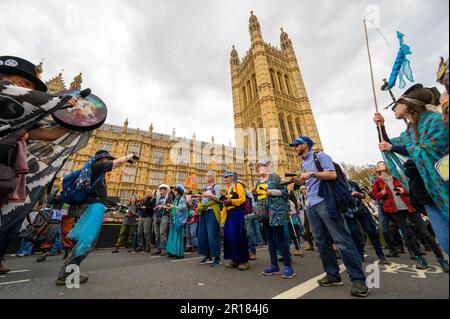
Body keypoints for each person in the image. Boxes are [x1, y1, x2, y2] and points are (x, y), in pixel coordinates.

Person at [0, 56, 79, 275]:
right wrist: (56, 100)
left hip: (7, 177)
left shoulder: (21, 126)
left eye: (27, 86)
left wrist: (78, 121)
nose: (19, 89)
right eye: (19, 84)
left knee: (12, 216)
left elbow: (51, 134)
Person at [289, 136, 369, 297]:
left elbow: (331, 175)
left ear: (305, 145)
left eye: (296, 145)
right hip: (311, 205)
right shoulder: (303, 162)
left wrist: (312, 173)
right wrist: (299, 180)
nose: (294, 148)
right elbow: (310, 183)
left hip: (325, 202)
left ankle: (358, 279)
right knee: (321, 241)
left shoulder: (321, 156)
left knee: (341, 240)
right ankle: (333, 274)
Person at [374, 84, 449, 255]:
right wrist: (381, 126)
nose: (394, 108)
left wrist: (393, 148)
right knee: (446, 242)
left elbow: (428, 149)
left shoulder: (435, 120)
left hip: (442, 188)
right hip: (426, 193)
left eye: (397, 104)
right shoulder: (409, 131)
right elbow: (390, 144)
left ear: (408, 104)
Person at [55, 150, 138, 286]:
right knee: (86, 242)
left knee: (86, 242)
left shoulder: (97, 174)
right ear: (101, 159)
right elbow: (117, 163)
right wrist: (130, 156)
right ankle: (66, 274)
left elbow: (104, 199)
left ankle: (67, 272)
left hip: (94, 207)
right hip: (91, 208)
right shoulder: (95, 167)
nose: (108, 162)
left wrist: (127, 211)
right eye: (107, 159)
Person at [372, 161, 448, 272]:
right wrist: (381, 194)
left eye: (382, 163)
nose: (379, 165)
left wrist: (403, 190)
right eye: (378, 165)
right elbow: (375, 196)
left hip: (410, 207)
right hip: (395, 211)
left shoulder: (397, 176)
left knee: (425, 233)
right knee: (407, 235)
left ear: (387, 166)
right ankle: (419, 258)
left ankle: (441, 259)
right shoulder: (377, 181)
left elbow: (409, 188)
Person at [253, 160, 295, 279]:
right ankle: (274, 266)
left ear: (267, 167)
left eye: (260, 166)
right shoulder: (258, 181)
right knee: (270, 240)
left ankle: (288, 267)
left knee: (279, 239)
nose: (258, 168)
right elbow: (260, 197)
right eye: (257, 167)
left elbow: (284, 192)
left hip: (276, 212)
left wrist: (271, 192)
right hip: (264, 213)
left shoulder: (274, 177)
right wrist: (255, 193)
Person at [345, 180, 390, 265]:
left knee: (371, 231)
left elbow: (363, 196)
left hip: (362, 211)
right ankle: (360, 255)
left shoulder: (353, 183)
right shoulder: (337, 186)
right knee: (355, 233)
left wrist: (357, 194)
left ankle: (381, 255)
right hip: (349, 213)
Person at [220, 172, 250, 271]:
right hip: (230, 214)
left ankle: (243, 260)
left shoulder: (238, 185)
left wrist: (231, 201)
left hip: (237, 213)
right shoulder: (228, 189)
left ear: (232, 177)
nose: (225, 178)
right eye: (224, 177)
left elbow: (242, 199)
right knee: (229, 236)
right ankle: (233, 258)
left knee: (238, 236)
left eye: (227, 177)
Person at [197, 171, 222, 267]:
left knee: (212, 235)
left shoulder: (215, 187)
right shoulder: (204, 188)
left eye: (210, 176)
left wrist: (210, 195)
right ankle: (208, 256)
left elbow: (219, 198)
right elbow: (203, 200)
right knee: (203, 235)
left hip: (212, 212)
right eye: (207, 175)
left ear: (214, 178)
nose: (208, 177)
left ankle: (217, 257)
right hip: (204, 212)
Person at [166, 185, 188, 259]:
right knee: (172, 235)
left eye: (175, 190)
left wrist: (173, 207)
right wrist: (170, 207)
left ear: (178, 192)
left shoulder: (181, 198)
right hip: (174, 219)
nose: (174, 192)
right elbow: (174, 208)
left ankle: (178, 253)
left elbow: (183, 207)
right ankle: (172, 251)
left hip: (179, 220)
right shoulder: (176, 199)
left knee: (177, 235)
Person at [152, 184, 173, 256]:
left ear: (166, 190)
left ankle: (164, 249)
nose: (162, 190)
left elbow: (170, 205)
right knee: (157, 234)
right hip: (156, 215)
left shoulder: (168, 197)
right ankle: (158, 248)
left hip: (164, 216)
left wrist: (163, 206)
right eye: (161, 189)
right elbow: (154, 206)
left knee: (162, 233)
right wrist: (155, 207)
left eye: (164, 189)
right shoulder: (158, 198)